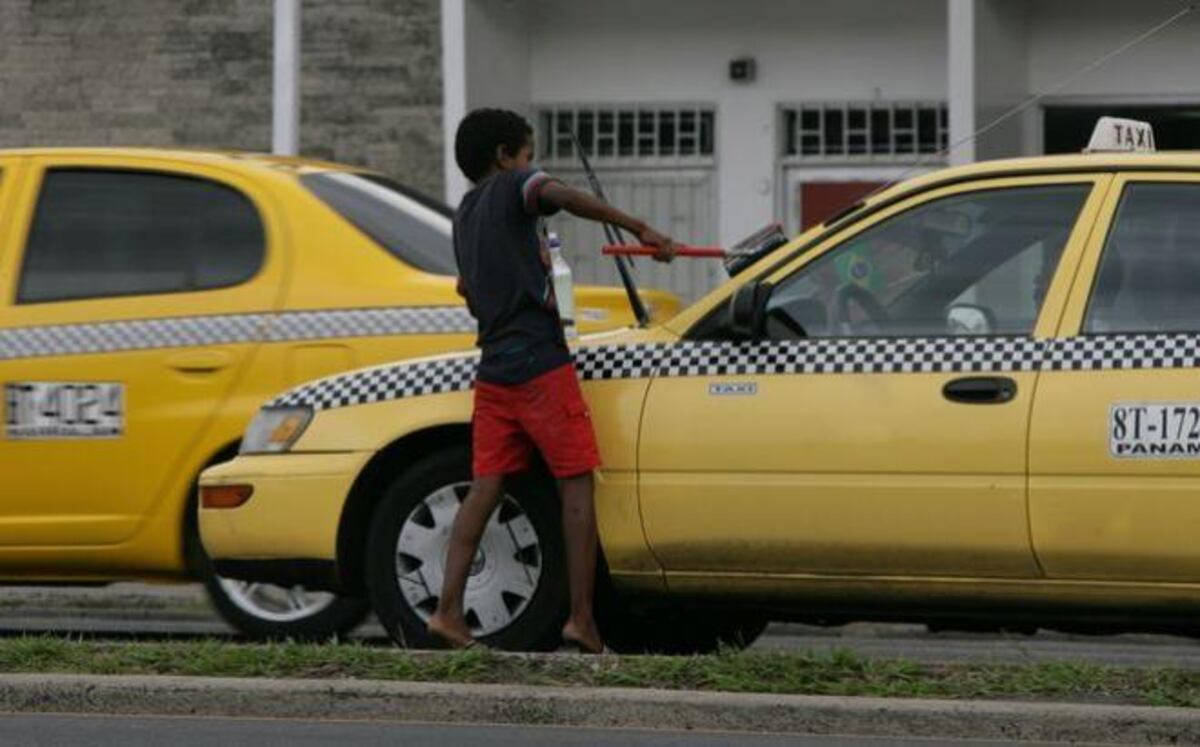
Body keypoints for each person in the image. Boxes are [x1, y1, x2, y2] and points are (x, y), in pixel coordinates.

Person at [426, 108, 676, 654]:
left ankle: (447, 612)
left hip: (493, 371)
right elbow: (559, 194)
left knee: (485, 487)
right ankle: (581, 619)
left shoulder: (464, 214)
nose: (532, 166)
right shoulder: (515, 186)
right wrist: (639, 227)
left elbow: (469, 291)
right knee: (576, 483)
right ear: (504, 157)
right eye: (528, 155)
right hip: (540, 365)